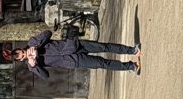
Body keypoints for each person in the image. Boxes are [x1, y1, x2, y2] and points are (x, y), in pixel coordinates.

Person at [11, 30, 140, 77]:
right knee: (102, 63)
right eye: (22, 57)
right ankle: (131, 66)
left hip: (74, 45)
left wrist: (36, 46)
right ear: (22, 60)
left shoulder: (32, 42)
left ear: (22, 49)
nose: (25, 55)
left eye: (23, 52)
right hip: (74, 61)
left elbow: (48, 33)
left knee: (103, 46)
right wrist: (35, 66)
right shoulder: (31, 66)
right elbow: (45, 76)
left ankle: (132, 50)